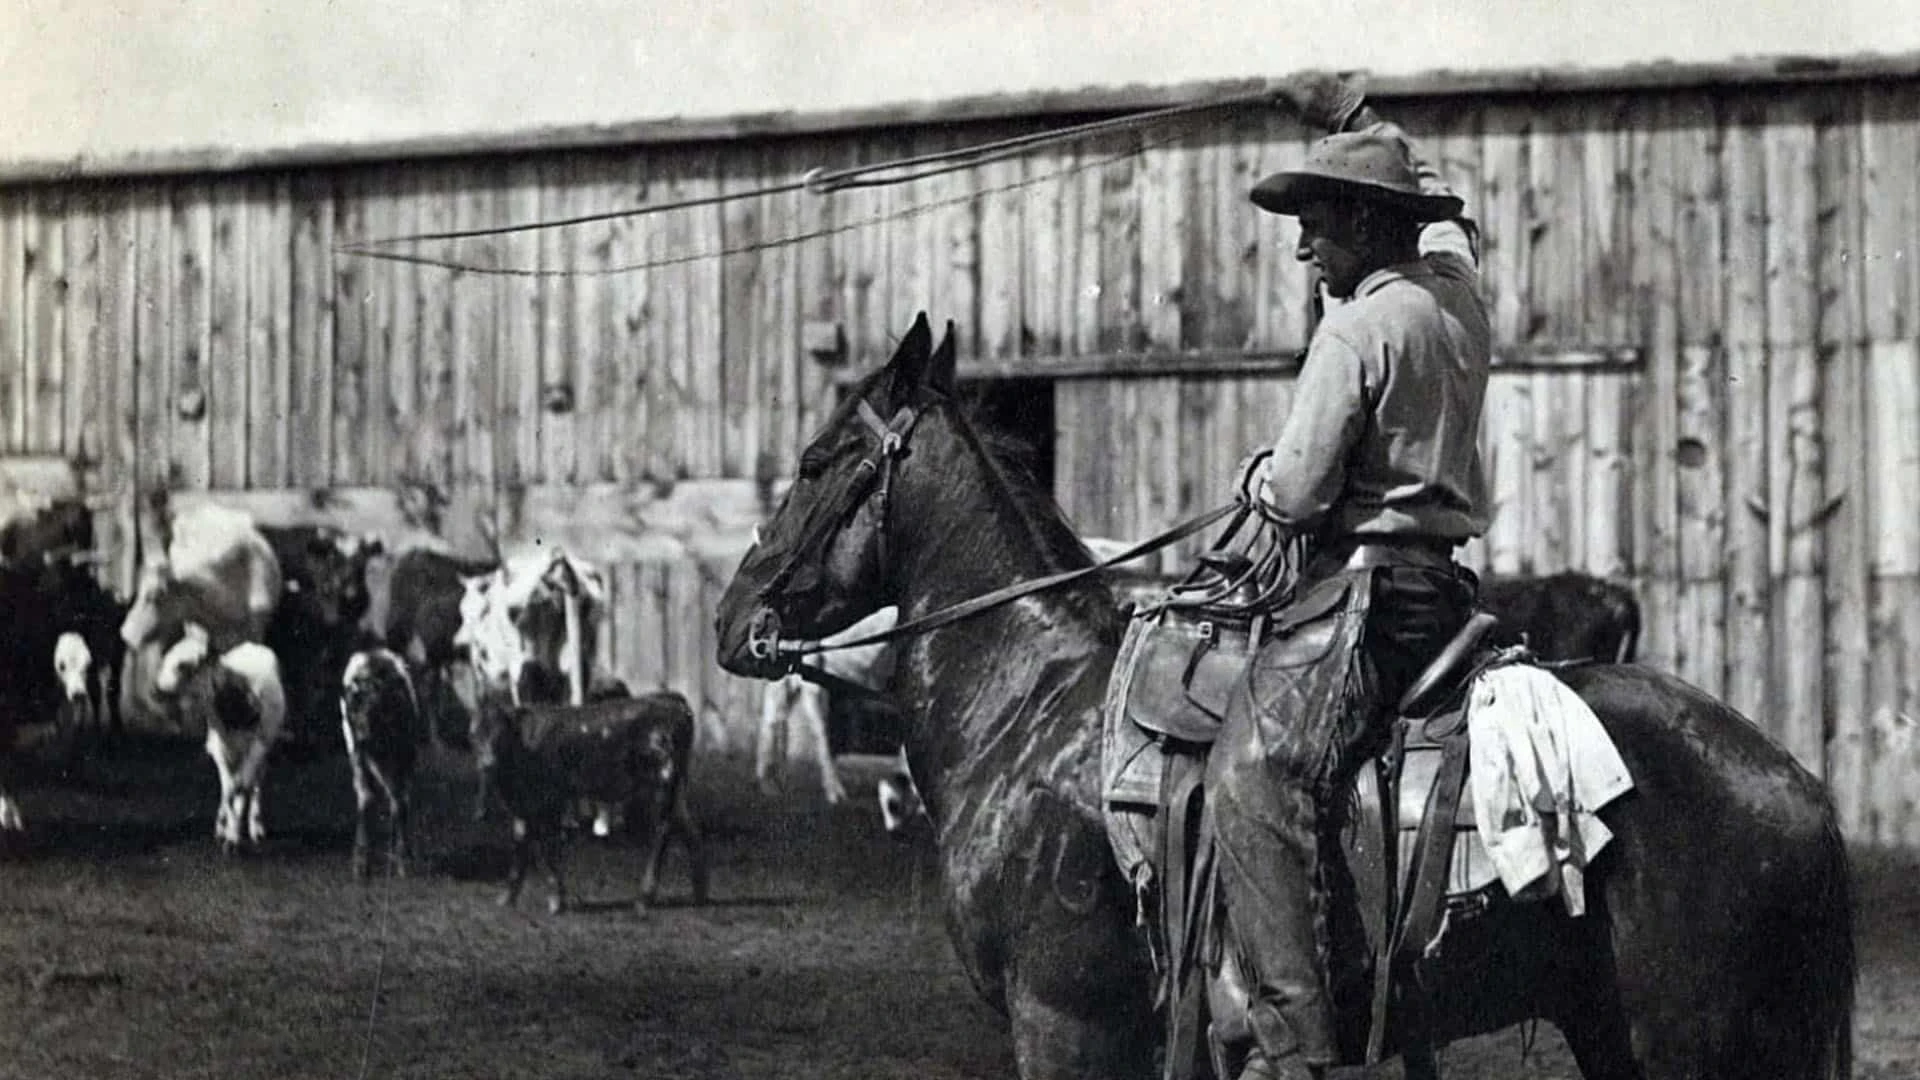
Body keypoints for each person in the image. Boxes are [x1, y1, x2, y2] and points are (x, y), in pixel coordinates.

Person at [1200, 73, 1491, 1080]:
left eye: (1318, 224)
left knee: (1248, 775)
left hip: (1362, 605)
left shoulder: (1355, 329)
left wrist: (1256, 481)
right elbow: (1455, 223)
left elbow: (1296, 492)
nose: (1301, 247)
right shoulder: (1455, 292)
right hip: (1447, 597)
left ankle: (1298, 1050)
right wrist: (1358, 118)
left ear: (1368, 223)